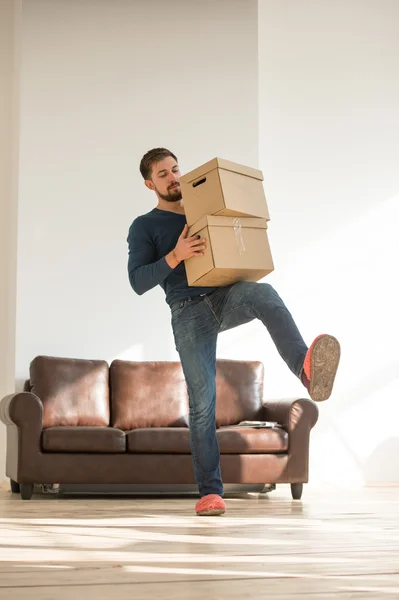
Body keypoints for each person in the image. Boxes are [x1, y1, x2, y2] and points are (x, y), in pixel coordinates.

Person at [127, 147, 341, 516]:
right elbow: (137, 281)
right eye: (163, 174)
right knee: (203, 405)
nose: (173, 177)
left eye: (175, 169)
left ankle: (305, 369)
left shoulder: (204, 209)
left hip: (225, 294)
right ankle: (210, 493)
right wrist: (175, 255)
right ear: (150, 183)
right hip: (187, 312)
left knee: (264, 294)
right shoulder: (144, 226)